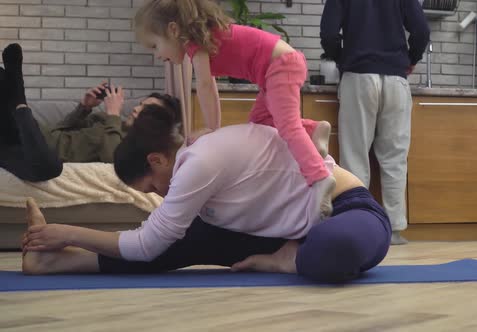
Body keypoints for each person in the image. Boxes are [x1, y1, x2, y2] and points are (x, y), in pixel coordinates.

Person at [21, 103, 392, 283]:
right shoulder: (192, 164)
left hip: (346, 210)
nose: (158, 196)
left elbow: (145, 243)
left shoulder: (199, 161)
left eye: (151, 186)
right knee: (176, 241)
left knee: (333, 250)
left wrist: (68, 230)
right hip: (282, 230)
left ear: (157, 160)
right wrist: (62, 243)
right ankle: (54, 262)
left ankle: (290, 260)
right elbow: (150, 243)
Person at [133, 0, 336, 219]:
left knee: (287, 126)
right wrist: (213, 128)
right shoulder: (203, 38)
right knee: (260, 125)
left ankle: (318, 177)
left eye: (155, 46)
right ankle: (313, 130)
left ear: (173, 30)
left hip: (281, 65)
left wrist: (212, 129)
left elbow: (205, 86)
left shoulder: (196, 44)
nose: (157, 55)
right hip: (274, 67)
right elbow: (209, 86)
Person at [320, 0, 430, 244]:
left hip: (357, 77)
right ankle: (394, 230)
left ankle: (359, 225)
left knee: (355, 155)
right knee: (395, 158)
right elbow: (421, 31)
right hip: (396, 79)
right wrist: (411, 59)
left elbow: (328, 34)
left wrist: (344, 59)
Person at [0, 43, 180, 182]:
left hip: (32, 153)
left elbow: (113, 160)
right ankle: (18, 99)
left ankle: (19, 98)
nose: (136, 108)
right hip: (29, 134)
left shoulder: (133, 144)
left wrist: (114, 114)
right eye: (140, 104)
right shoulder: (102, 118)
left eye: (145, 109)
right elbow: (60, 128)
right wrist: (84, 107)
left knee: (47, 167)